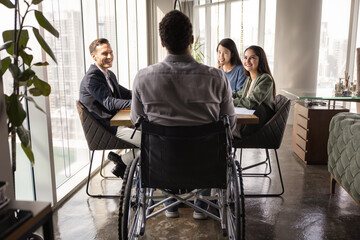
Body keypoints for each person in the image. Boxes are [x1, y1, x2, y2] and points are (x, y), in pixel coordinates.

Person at [130, 10, 236, 219]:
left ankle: (170, 203)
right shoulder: (216, 77)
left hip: (162, 163)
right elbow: (229, 123)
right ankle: (201, 206)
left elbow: (136, 120)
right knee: (210, 146)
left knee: (164, 146)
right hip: (205, 165)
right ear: (191, 40)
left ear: (162, 43)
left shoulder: (143, 78)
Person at [79, 38, 140, 178]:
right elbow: (110, 103)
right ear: (94, 56)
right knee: (151, 143)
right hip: (107, 127)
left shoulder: (108, 74)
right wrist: (138, 104)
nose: (110, 56)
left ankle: (122, 163)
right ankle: (122, 161)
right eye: (105, 53)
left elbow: (126, 94)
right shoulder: (92, 78)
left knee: (152, 133)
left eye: (111, 52)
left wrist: (144, 97)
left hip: (118, 121)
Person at [232, 45, 276, 138]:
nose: (247, 61)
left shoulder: (265, 79)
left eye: (252, 58)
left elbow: (251, 102)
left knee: (221, 130)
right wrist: (224, 95)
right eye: (245, 58)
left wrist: (230, 102)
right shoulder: (249, 79)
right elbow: (240, 95)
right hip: (249, 118)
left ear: (261, 60)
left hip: (258, 123)